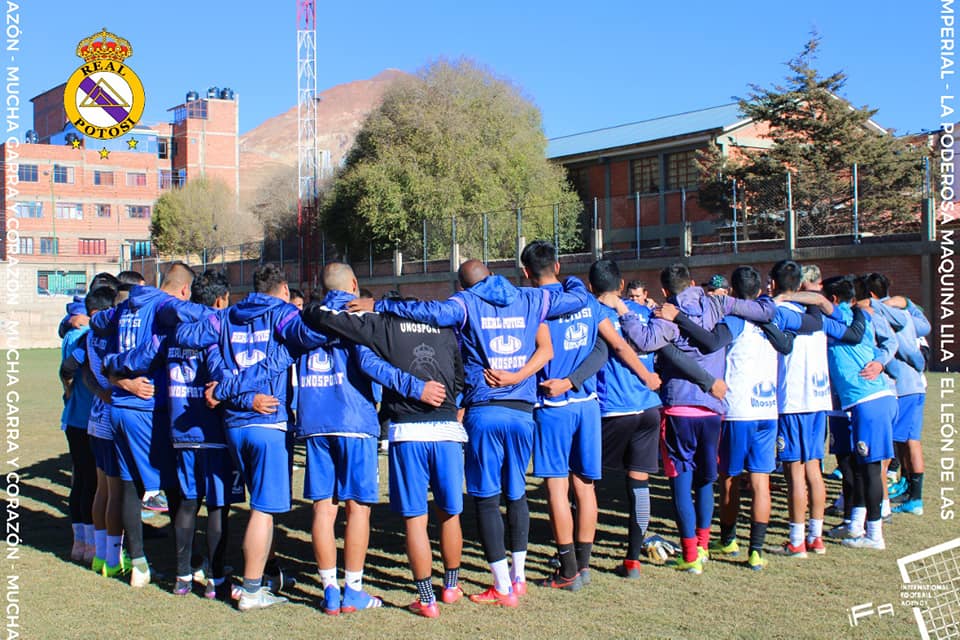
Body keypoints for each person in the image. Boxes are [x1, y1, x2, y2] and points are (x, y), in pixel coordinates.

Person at [348, 254, 590, 606]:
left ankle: (502, 586)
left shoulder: (464, 303)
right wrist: (569, 281)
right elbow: (579, 300)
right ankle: (520, 576)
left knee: (486, 498)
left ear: (461, 285)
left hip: (483, 408)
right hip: (523, 409)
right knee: (517, 490)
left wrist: (380, 304)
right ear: (492, 275)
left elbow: (430, 314)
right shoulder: (530, 297)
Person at [176, 264, 345, 611]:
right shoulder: (282, 314)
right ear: (283, 289)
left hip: (234, 424)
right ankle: (251, 590)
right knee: (263, 509)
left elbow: (185, 337)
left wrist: (231, 390)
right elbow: (311, 336)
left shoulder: (227, 316)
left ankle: (264, 576)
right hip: (268, 421)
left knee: (258, 504)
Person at [600, 262, 776, 574]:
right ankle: (705, 544)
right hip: (712, 409)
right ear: (694, 282)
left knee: (681, 481)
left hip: (679, 407)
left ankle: (691, 555)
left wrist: (626, 313)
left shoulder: (668, 318)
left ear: (665, 291)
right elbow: (764, 314)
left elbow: (643, 342)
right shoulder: (718, 304)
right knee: (706, 479)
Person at [300, 291, 466, 619]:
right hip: (446, 427)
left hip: (406, 431)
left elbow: (325, 321)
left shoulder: (384, 323)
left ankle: (427, 599)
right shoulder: (445, 328)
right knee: (450, 512)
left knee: (415, 518)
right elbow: (460, 378)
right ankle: (451, 586)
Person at [520, 243, 661, 591]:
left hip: (553, 406)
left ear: (525, 273)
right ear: (558, 264)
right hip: (588, 404)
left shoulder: (532, 305)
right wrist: (645, 376)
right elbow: (614, 346)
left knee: (556, 487)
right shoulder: (586, 301)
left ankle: (567, 569)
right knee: (585, 486)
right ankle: (582, 566)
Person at [587, 259, 724, 578]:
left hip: (614, 409)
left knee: (583, 480)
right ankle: (632, 560)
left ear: (592, 287)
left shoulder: (593, 315)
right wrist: (707, 381)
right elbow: (671, 354)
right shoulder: (648, 314)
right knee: (639, 482)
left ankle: (578, 554)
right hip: (649, 408)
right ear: (621, 286)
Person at [90, 263, 209, 587]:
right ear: (183, 290)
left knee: (128, 485)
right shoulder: (163, 305)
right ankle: (188, 562)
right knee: (173, 487)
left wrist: (118, 377)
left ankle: (140, 563)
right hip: (147, 408)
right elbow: (197, 316)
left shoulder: (127, 305)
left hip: (119, 410)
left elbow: (99, 322)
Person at [783, 277, 897, 550]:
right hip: (857, 403)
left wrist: (786, 298)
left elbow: (819, 301)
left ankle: (874, 535)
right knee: (857, 465)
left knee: (870, 469)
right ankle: (857, 524)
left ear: (834, 299)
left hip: (870, 399)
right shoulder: (855, 316)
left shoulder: (844, 315)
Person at [768, 260, 832, 557]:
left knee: (794, 473)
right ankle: (816, 537)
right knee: (814, 469)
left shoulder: (779, 313)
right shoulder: (816, 312)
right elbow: (821, 302)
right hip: (819, 400)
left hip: (793, 400)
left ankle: (796, 541)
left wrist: (781, 298)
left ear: (773, 284)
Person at [863, 273, 928, 516]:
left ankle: (912, 497)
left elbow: (906, 346)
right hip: (910, 385)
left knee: (908, 441)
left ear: (869, 294)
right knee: (904, 441)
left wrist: (915, 362)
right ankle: (909, 488)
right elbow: (924, 326)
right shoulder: (900, 308)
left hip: (906, 386)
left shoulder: (887, 313)